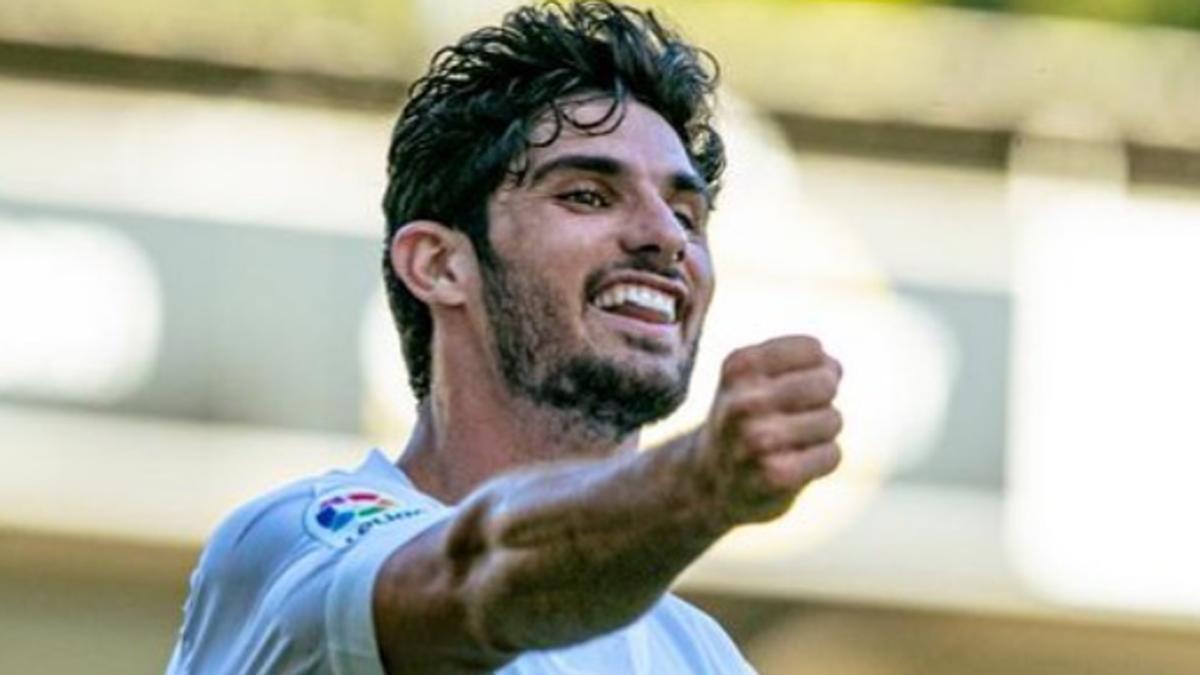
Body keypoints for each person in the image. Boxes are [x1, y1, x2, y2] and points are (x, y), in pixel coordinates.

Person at [166, 1, 843, 673]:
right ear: (438, 264)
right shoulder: (299, 543)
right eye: (587, 194)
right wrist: (700, 482)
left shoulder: (702, 657)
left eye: (687, 213)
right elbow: (475, 581)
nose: (666, 236)